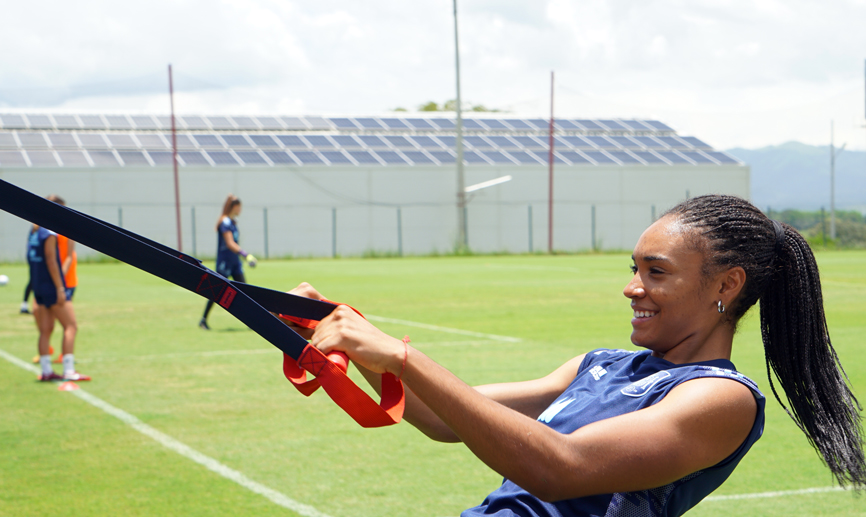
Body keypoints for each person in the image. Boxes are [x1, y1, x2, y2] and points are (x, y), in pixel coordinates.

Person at [284, 194, 865, 516]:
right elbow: (442, 416)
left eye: (656, 272)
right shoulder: (599, 365)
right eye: (634, 269)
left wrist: (401, 357)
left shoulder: (721, 397)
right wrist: (340, 327)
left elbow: (561, 469)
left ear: (726, 285)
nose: (632, 288)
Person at [28, 196, 89, 382]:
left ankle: (46, 371)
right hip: (53, 286)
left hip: (40, 285)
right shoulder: (49, 232)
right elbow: (51, 260)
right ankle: (69, 370)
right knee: (71, 326)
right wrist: (60, 287)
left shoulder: (34, 230)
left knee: (45, 329)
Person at [199, 194, 256, 330]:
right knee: (216, 291)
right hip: (225, 263)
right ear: (234, 207)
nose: (240, 210)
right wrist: (245, 255)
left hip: (235, 263)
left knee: (244, 291)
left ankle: (252, 321)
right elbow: (230, 243)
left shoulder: (233, 222)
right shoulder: (225, 223)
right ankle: (203, 320)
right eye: (239, 207)